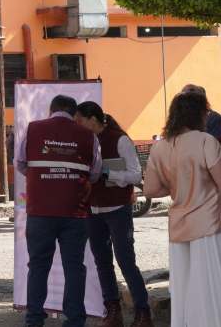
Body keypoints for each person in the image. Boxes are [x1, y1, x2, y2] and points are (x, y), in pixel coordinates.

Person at [16, 94, 101, 327]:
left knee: (38, 266)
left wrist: (43, 177)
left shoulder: (33, 129)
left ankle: (34, 319)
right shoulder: (89, 135)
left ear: (51, 110)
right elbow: (95, 173)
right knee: (74, 268)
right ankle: (74, 320)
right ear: (74, 114)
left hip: (40, 211)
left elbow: (21, 163)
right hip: (75, 212)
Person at [143, 88, 221, 327]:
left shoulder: (160, 147)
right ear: (199, 113)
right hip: (208, 224)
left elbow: (150, 190)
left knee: (183, 289)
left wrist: (178, 185)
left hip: (178, 225)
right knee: (209, 287)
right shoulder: (206, 141)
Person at [74, 102, 152, 327]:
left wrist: (109, 173)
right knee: (102, 262)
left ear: (93, 119)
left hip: (118, 209)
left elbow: (136, 175)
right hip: (93, 210)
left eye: (80, 120)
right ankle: (113, 311)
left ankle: (143, 313)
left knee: (126, 261)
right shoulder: (84, 140)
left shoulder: (120, 139)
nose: (77, 125)